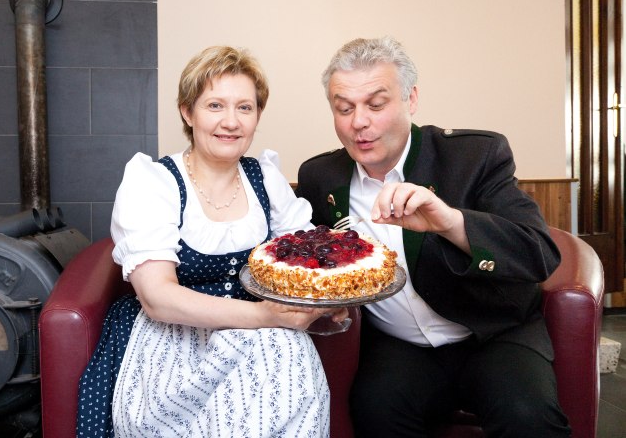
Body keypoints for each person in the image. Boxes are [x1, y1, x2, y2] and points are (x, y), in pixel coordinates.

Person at [294, 37, 571, 437]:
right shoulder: (322, 177)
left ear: (411, 99)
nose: (359, 122)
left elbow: (538, 253)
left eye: (376, 104)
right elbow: (312, 257)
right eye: (344, 108)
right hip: (397, 347)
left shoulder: (474, 156)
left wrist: (451, 223)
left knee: (526, 415)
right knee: (375, 410)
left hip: (490, 334)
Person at [76, 45, 347, 438]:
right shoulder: (154, 182)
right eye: (215, 105)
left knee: (290, 356)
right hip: (172, 340)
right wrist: (265, 317)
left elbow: (306, 261)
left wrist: (325, 302)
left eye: (245, 108)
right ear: (188, 112)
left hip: (262, 341)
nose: (231, 122)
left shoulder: (265, 179)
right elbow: (158, 299)